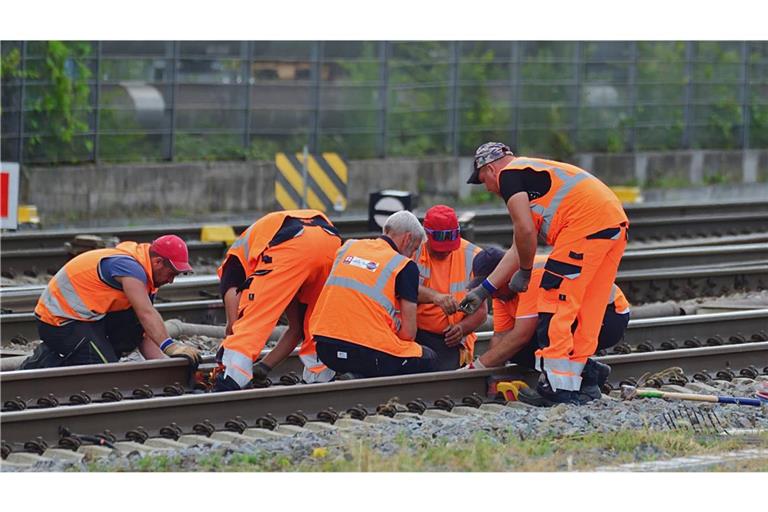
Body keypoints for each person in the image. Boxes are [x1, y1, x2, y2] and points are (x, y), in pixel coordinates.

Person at [460, 142, 629, 406]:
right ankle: (582, 383)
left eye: (484, 181)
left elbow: (526, 232)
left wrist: (526, 272)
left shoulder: (509, 175)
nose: (490, 189)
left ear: (491, 169)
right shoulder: (534, 177)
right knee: (588, 310)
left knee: (555, 302)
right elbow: (520, 244)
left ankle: (555, 389)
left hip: (584, 225)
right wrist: (485, 290)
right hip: (612, 223)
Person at [464, 249, 630, 399]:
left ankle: (581, 383)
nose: (492, 294)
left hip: (608, 315)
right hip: (576, 317)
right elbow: (501, 337)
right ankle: (590, 370)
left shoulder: (532, 276)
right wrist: (493, 373)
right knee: (514, 350)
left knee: (544, 333)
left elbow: (521, 336)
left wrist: (477, 366)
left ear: (508, 274)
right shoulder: (502, 293)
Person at [21, 235, 201, 369]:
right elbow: (147, 314)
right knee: (106, 370)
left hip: (87, 319)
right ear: (158, 262)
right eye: (172, 274)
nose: (171, 281)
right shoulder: (129, 268)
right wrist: (170, 346)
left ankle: (64, 354)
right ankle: (48, 359)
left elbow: (144, 328)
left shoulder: (148, 274)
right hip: (59, 322)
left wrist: (163, 364)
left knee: (131, 327)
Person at [214, 209, 342, 391]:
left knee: (255, 320)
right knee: (316, 323)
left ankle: (232, 377)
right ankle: (319, 376)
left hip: (292, 243)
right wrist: (265, 366)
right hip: (330, 241)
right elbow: (296, 330)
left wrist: (232, 331)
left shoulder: (234, 261)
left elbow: (234, 316)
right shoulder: (287, 276)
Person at [311, 210, 438, 378]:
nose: (413, 254)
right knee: (427, 356)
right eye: (414, 248)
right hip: (366, 354)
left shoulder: (348, 247)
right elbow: (408, 334)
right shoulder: (404, 266)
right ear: (407, 238)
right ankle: (360, 377)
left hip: (325, 347)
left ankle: (351, 374)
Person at [414, 205, 486, 370]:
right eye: (439, 249)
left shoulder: (473, 256)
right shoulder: (413, 251)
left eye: (449, 248)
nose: (445, 252)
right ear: (426, 234)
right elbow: (400, 290)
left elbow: (481, 312)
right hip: (414, 333)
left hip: (450, 339)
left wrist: (462, 328)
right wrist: (435, 297)